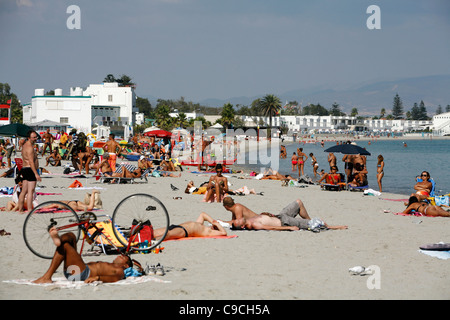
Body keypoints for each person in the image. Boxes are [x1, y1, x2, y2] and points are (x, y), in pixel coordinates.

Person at [33, 227, 138, 284]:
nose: (120, 256)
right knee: (71, 236)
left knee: (65, 246)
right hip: (80, 269)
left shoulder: (119, 270)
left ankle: (47, 277)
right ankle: (58, 240)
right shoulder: (110, 265)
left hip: (81, 274)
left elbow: (115, 278)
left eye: (123, 257)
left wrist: (97, 278)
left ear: (126, 265)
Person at [224, 197, 347, 231]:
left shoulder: (249, 219)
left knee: (298, 202)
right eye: (237, 222)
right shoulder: (253, 225)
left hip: (279, 215)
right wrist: (289, 227)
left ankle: (309, 221)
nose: (237, 220)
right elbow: (271, 227)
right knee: (315, 223)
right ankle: (332, 226)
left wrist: (267, 214)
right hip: (285, 221)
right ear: (242, 226)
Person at [153, 212, 227, 240]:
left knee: (167, 234)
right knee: (154, 232)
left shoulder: (208, 232)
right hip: (177, 226)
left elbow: (224, 233)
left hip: (183, 232)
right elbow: (203, 214)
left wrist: (217, 224)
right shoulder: (200, 225)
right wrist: (213, 221)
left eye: (215, 227)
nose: (213, 226)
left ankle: (151, 242)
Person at [17, 130, 41, 213]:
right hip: (30, 169)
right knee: (30, 191)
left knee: (24, 191)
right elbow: (31, 162)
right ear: (28, 138)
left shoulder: (25, 146)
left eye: (36, 137)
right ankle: (30, 210)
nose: (35, 138)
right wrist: (36, 174)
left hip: (24, 169)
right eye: (34, 137)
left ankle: (20, 209)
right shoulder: (30, 148)